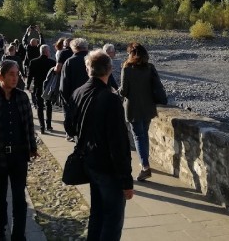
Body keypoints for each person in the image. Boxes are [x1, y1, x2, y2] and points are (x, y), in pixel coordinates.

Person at [65, 50, 134, 241]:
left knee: (97, 214)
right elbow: (119, 143)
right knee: (112, 220)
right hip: (108, 167)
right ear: (110, 70)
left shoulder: (78, 92)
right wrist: (126, 181)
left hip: (89, 162)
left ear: (88, 69)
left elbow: (69, 128)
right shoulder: (110, 99)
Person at [0, 60, 38, 241]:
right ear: (0, 76)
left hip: (19, 156)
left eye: (17, 74)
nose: (15, 77)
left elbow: (28, 126)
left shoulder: (23, 97)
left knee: (19, 199)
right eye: (11, 74)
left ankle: (18, 235)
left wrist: (32, 148)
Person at [119, 42, 167, 181]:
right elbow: (157, 85)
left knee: (138, 136)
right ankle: (145, 161)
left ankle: (145, 167)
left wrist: (116, 91)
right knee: (144, 134)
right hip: (148, 107)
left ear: (131, 54)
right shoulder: (150, 67)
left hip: (133, 108)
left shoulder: (127, 68)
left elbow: (124, 91)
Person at [59, 38, 89, 140]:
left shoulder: (69, 62)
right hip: (93, 101)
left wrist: (68, 104)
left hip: (75, 101)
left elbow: (64, 86)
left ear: (74, 48)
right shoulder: (93, 60)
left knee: (78, 134)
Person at [27, 44, 56, 133]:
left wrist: (28, 85)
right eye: (49, 51)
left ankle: (42, 126)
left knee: (39, 106)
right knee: (48, 105)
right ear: (46, 52)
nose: (50, 53)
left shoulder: (33, 62)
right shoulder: (52, 62)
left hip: (38, 86)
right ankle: (49, 125)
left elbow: (30, 75)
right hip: (48, 87)